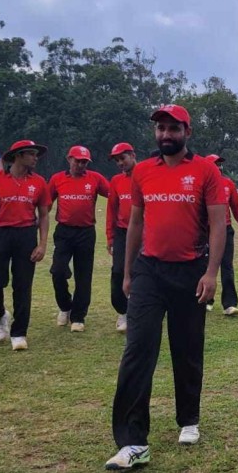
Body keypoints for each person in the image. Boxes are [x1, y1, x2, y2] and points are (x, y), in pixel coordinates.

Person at [105, 105, 226, 471]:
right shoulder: (141, 172)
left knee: (187, 349)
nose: (165, 135)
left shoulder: (205, 170)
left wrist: (211, 273)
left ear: (187, 131)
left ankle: (188, 419)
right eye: (160, 129)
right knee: (137, 350)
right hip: (149, 272)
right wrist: (128, 272)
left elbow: (219, 224)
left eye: (173, 128)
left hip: (190, 270)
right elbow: (136, 223)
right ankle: (132, 441)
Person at [0, 140, 51, 351]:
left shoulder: (39, 182)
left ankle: (19, 332)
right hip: (1, 234)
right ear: (18, 155)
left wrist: (42, 244)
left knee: (23, 285)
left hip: (26, 235)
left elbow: (43, 216)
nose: (36, 158)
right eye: (32, 154)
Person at [48, 145, 110, 332]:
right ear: (69, 159)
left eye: (85, 162)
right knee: (58, 271)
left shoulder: (95, 178)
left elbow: (114, 195)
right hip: (64, 232)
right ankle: (65, 306)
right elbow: (45, 203)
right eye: (78, 161)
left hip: (86, 232)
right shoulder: (57, 179)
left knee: (84, 276)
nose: (81, 165)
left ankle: (78, 316)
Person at [204, 154, 238, 316]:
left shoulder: (228, 184)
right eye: (216, 164)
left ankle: (229, 304)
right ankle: (206, 300)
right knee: (204, 265)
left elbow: (236, 207)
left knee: (227, 266)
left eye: (220, 164)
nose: (219, 167)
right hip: (204, 230)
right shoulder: (201, 184)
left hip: (225, 230)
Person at [106, 142, 137, 333]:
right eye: (117, 160)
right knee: (118, 272)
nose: (120, 163)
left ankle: (140, 310)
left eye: (123, 158)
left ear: (133, 155)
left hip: (144, 232)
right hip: (122, 232)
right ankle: (122, 311)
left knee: (142, 272)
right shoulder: (116, 181)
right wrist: (110, 236)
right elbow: (111, 210)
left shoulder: (145, 175)